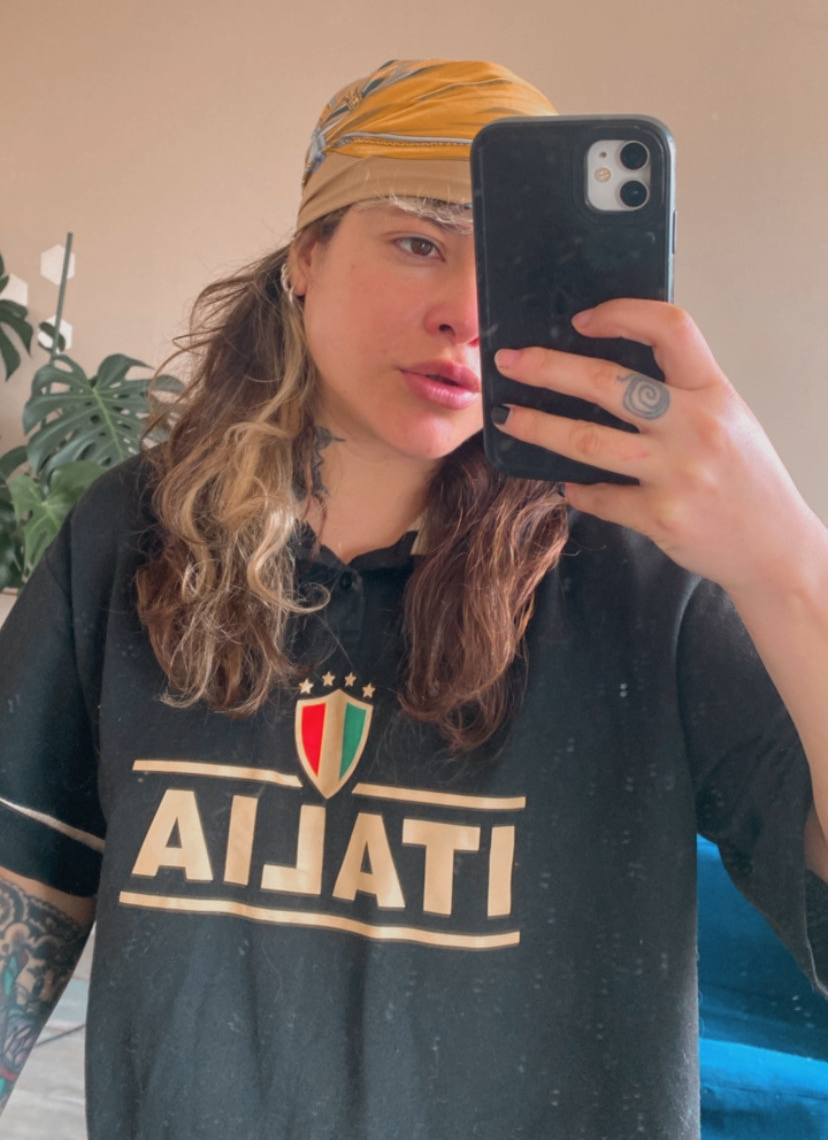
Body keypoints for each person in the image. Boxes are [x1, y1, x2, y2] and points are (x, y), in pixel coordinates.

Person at [0, 57, 826, 1140]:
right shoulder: (136, 533)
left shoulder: (643, 575)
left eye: (517, 268)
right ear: (306, 255)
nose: (466, 314)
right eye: (419, 242)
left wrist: (789, 563)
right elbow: (24, 891)